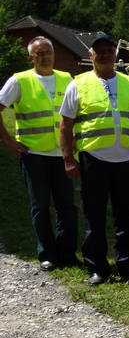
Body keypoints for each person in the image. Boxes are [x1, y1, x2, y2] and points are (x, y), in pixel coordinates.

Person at [59, 34, 129, 286]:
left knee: (126, 215)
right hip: (93, 159)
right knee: (94, 215)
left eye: (109, 50)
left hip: (126, 159)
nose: (105, 54)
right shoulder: (78, 84)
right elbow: (65, 126)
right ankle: (97, 267)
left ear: (115, 54)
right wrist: (68, 158)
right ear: (91, 55)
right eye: (100, 51)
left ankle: (127, 266)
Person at [0, 36, 78, 270]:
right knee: (40, 206)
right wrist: (8, 141)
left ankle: (67, 254)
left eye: (48, 52)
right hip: (34, 155)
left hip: (62, 154)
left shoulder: (66, 78)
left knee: (67, 206)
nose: (45, 57)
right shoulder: (19, 81)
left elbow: (77, 112)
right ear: (31, 57)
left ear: (54, 54)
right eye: (39, 53)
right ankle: (47, 254)